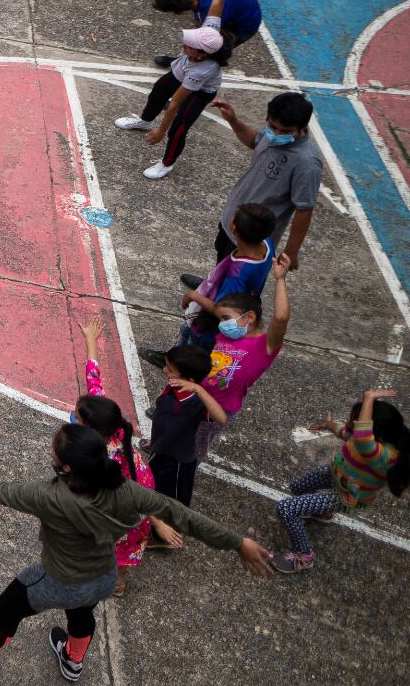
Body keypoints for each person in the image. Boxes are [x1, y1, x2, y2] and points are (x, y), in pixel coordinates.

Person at [0, 426, 272, 681]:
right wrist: (237, 541)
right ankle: (73, 662)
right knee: (81, 613)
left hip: (58, 579)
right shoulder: (126, 490)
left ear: (69, 467)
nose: (51, 458)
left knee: (10, 605)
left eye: (54, 456)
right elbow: (182, 515)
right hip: (104, 576)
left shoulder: (48, 496)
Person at [72, 321, 174, 596]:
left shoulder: (109, 462)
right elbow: (94, 378)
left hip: (123, 518)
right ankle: (116, 581)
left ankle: (115, 583)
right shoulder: (110, 422)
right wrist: (90, 339)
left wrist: (157, 522)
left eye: (78, 416)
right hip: (123, 515)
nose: (75, 413)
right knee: (121, 555)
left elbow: (142, 496)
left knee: (115, 555)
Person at [273, 388, 407, 574]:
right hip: (335, 474)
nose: (350, 425)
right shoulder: (371, 440)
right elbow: (349, 434)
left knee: (285, 508)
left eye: (355, 423)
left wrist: (369, 398)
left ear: (374, 432)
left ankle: (304, 556)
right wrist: (330, 426)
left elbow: (360, 437)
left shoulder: (384, 455)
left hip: (346, 496)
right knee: (296, 487)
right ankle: (323, 513)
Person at [191, 257, 292, 462]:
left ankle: (189, 465)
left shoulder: (264, 346)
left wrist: (280, 279)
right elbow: (214, 308)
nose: (222, 325)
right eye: (220, 320)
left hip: (218, 407)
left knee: (196, 446)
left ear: (250, 317)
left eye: (226, 319)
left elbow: (280, 318)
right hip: (196, 395)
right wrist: (192, 295)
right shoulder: (225, 335)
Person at [207, 91, 320, 268]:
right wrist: (234, 121)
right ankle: (212, 288)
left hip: (253, 236)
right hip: (233, 220)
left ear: (302, 128)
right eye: (273, 126)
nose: (276, 133)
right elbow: (255, 141)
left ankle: (215, 292)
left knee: (238, 285)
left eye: (285, 131)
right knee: (222, 261)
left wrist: (291, 251)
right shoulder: (273, 135)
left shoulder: (307, 163)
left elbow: (304, 209)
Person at [111, 21, 236, 179]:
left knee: (179, 127)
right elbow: (217, 3)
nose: (184, 44)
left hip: (200, 92)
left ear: (202, 54)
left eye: (189, 45)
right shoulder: (209, 34)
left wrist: (161, 131)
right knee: (159, 90)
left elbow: (175, 103)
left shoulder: (202, 70)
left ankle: (167, 163)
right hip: (180, 73)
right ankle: (145, 121)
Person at [163, 202, 276, 353]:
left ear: (233, 227)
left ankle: (178, 365)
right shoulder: (267, 243)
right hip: (230, 296)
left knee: (191, 347)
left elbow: (220, 310)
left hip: (206, 324)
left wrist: (193, 295)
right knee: (185, 329)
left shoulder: (237, 274)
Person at [144, 345, 226, 511]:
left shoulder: (194, 401)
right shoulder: (174, 387)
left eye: (171, 369)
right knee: (155, 485)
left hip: (176, 460)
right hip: (160, 448)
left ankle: (169, 526)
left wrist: (199, 390)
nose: (165, 370)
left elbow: (221, 418)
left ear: (190, 380)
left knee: (174, 500)